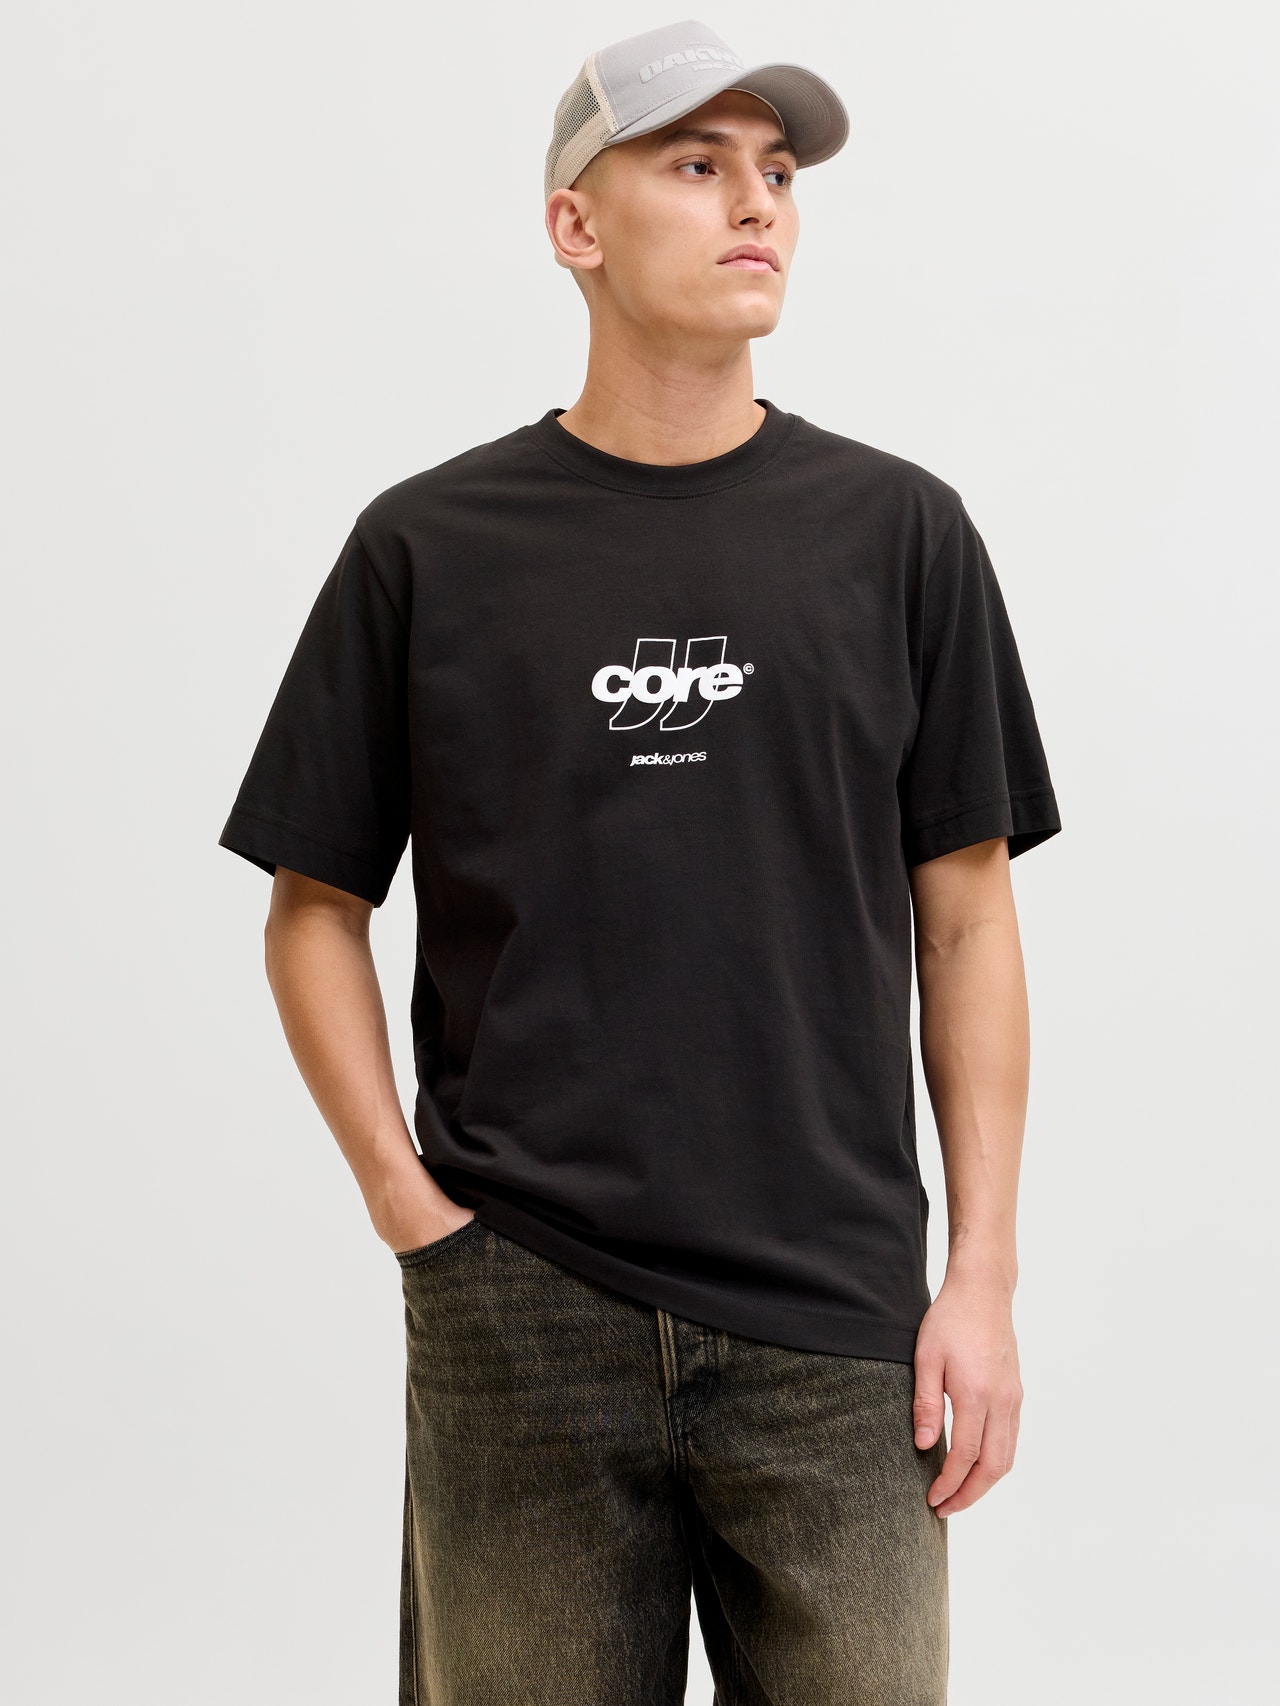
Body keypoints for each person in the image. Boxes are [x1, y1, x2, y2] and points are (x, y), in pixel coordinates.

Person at [218, 17, 1061, 1704]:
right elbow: (312, 906)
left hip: (838, 1321)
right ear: (575, 226)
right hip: (521, 1299)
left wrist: (978, 1274)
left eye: (778, 172)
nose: (758, 204)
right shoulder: (427, 547)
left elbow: (968, 919)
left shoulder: (901, 535)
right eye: (696, 163)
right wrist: (410, 1209)